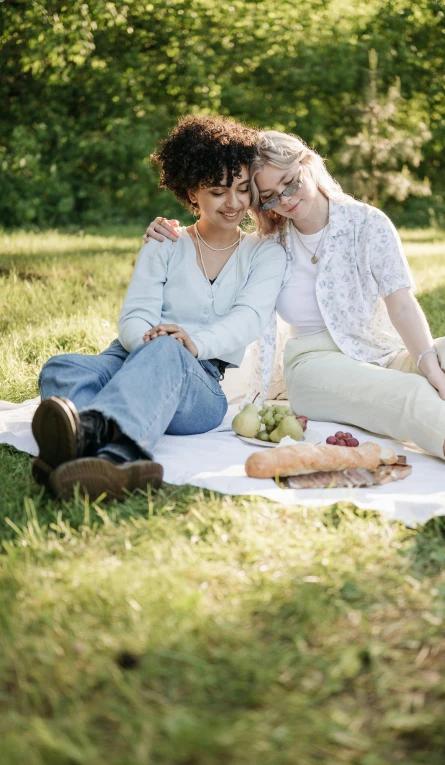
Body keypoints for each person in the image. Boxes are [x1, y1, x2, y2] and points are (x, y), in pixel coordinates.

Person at [144, 127, 445, 476]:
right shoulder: (268, 246)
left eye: (290, 185)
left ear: (308, 163)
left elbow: (402, 304)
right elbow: (211, 250)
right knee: (409, 393)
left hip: (380, 350)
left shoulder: (367, 223)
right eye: (271, 197)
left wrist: (430, 363)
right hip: (313, 365)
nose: (285, 201)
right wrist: (170, 234)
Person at [32, 116, 286, 500]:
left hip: (199, 382)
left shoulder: (265, 252)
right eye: (218, 191)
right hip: (133, 355)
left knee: (167, 350)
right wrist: (151, 341)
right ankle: (95, 449)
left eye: (241, 189)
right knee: (63, 368)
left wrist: (189, 343)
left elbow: (248, 320)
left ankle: (115, 453)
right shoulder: (165, 240)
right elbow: (135, 315)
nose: (233, 203)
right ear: (192, 193)